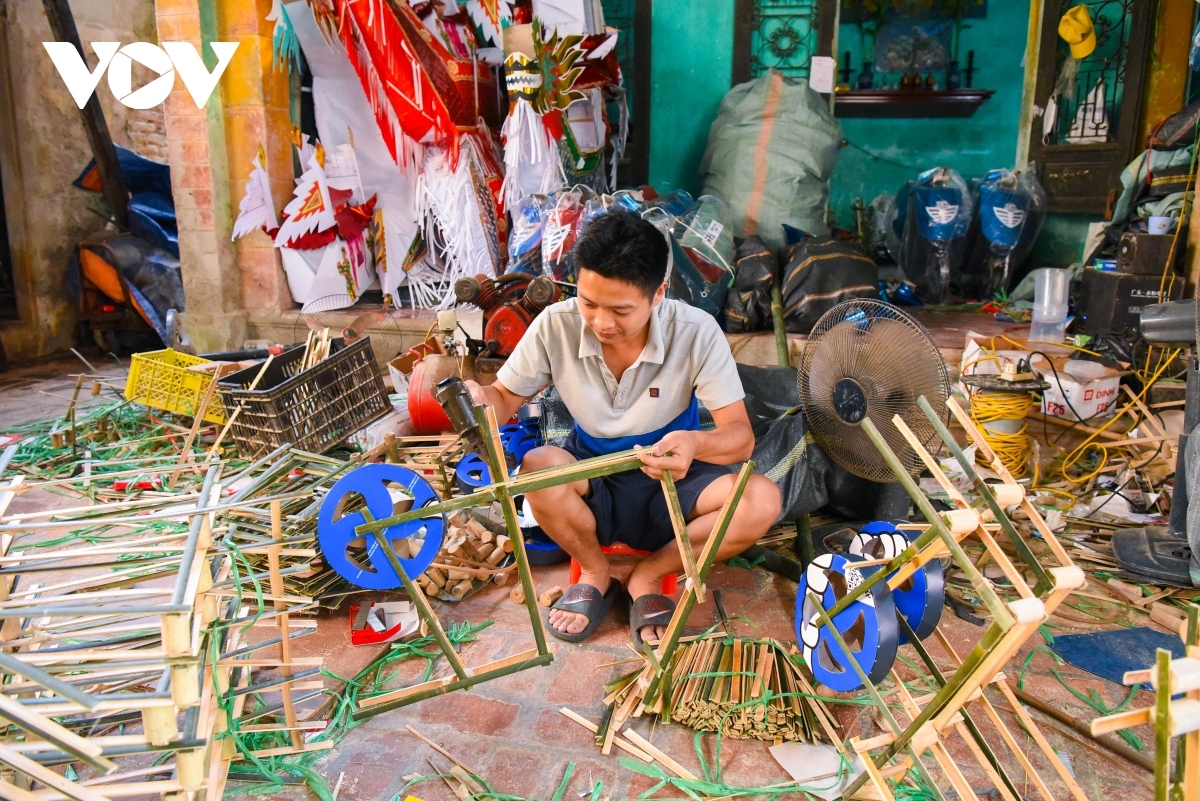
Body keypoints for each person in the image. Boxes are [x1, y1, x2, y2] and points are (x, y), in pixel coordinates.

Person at [465, 210, 781, 646]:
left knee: (761, 500)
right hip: (592, 476)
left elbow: (740, 438)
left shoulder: (695, 332)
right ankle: (594, 571)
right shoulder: (556, 324)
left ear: (659, 294)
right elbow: (502, 398)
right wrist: (482, 400)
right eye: (589, 303)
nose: (601, 323)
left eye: (620, 310)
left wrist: (693, 443)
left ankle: (648, 576)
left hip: (672, 481)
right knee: (538, 465)